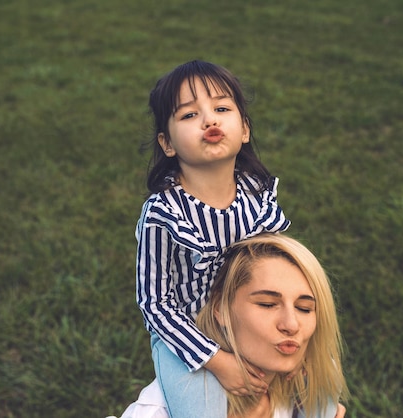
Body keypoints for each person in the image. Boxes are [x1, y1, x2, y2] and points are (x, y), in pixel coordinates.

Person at [135, 60, 291, 418]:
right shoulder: (164, 214)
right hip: (187, 336)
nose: (210, 120)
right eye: (189, 115)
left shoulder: (257, 195)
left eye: (221, 108)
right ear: (167, 143)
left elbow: (279, 272)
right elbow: (155, 304)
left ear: (245, 129)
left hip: (249, 320)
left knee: (318, 387)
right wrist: (217, 361)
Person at [119, 233, 348, 417]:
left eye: (304, 308)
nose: (291, 324)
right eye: (267, 304)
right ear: (220, 308)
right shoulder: (156, 412)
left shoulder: (308, 402)